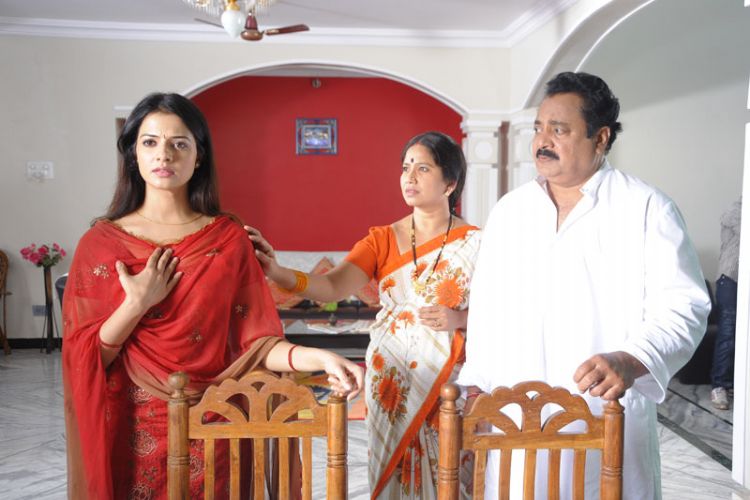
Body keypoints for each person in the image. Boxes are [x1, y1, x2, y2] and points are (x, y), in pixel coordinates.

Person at [61, 92, 363, 499]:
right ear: (133, 154)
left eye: (179, 143)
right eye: (150, 142)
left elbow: (256, 345)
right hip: (133, 427)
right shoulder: (101, 245)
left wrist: (321, 357)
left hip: (217, 420)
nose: (164, 154)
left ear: (199, 156)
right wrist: (136, 304)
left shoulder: (227, 239)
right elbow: (85, 359)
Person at [456, 72, 710, 499]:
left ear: (601, 137)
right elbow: (487, 309)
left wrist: (632, 358)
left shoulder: (646, 208)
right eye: (539, 128)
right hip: (515, 414)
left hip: (603, 413)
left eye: (559, 130)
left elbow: (683, 307)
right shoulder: (510, 212)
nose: (543, 141)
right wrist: (477, 383)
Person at [247, 131, 481, 498]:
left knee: (449, 469)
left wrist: (459, 319)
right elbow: (332, 286)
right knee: (392, 470)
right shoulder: (381, 239)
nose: (409, 177)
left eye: (423, 168)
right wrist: (277, 272)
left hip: (450, 378)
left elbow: (502, 308)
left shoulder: (477, 242)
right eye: (405, 167)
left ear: (450, 183)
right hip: (392, 375)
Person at [710, 197, 741, 410]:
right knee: (728, 333)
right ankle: (719, 385)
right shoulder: (736, 209)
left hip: (744, 281)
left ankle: (736, 382)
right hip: (730, 279)